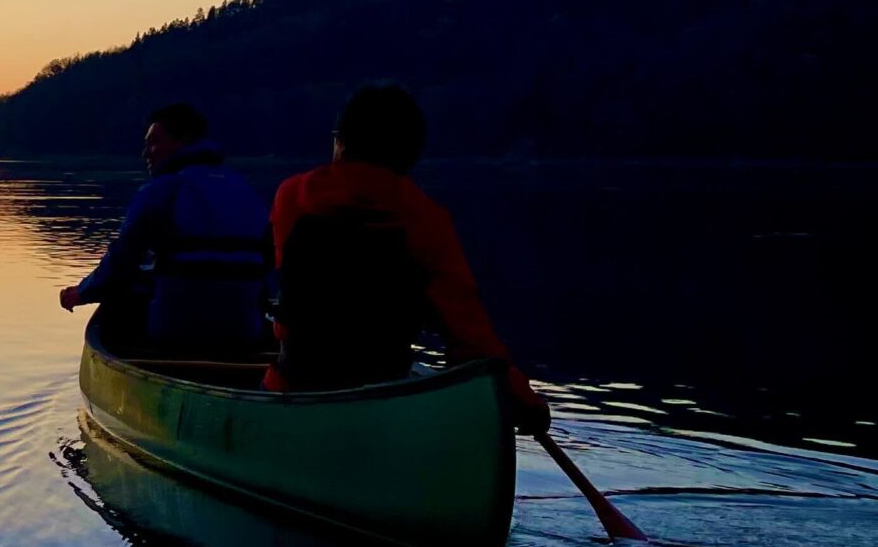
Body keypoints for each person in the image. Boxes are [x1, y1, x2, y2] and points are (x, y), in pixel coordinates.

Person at [267, 83, 551, 433]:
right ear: (411, 152)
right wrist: (523, 400)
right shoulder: (426, 219)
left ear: (341, 142)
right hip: (387, 403)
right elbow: (470, 336)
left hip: (292, 391)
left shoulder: (291, 197)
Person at [58, 103, 271, 356]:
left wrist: (82, 293)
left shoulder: (159, 192)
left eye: (154, 142)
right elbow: (269, 258)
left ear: (184, 141)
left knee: (119, 299)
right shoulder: (245, 189)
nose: (145, 153)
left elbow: (121, 263)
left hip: (177, 331)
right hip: (245, 329)